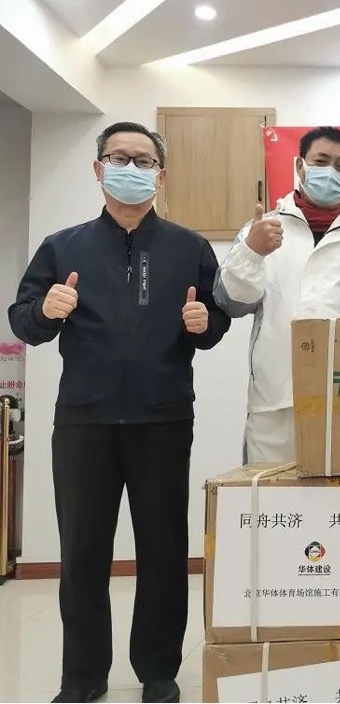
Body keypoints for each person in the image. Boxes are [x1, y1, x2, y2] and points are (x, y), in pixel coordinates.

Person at [7, 122, 230, 703]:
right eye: (118, 156)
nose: (130, 167)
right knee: (83, 552)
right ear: (98, 168)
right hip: (85, 419)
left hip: (163, 417)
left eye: (143, 159)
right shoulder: (63, 246)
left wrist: (204, 323)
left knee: (163, 549)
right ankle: (82, 678)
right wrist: (47, 309)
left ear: (161, 174)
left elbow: (216, 322)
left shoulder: (189, 247)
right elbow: (24, 321)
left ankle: (158, 671)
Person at [214, 126, 340, 463]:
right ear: (300, 166)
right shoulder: (262, 228)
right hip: (274, 400)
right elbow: (232, 302)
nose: (330, 172)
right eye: (321, 161)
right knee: (269, 493)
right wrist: (252, 252)